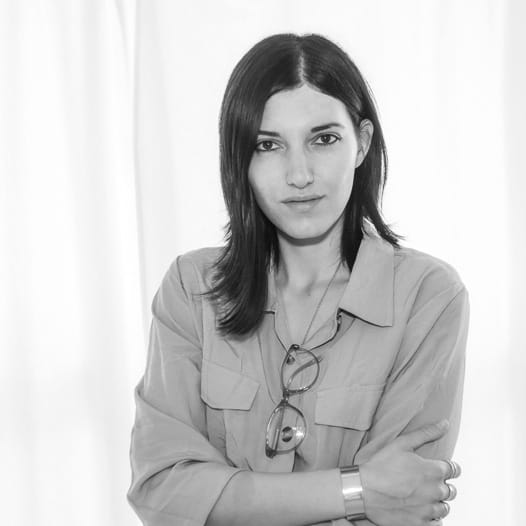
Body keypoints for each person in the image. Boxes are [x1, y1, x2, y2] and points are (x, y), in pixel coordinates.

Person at [127, 33, 469, 526]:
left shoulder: (429, 297)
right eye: (268, 145)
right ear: (240, 159)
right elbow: (161, 491)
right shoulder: (191, 287)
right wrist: (357, 489)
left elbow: (403, 502)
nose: (300, 174)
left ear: (362, 143)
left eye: (323, 139)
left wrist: (219, 498)